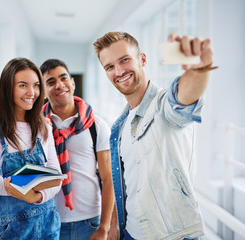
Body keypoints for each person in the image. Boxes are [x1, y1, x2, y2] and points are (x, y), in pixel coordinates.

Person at [93, 31, 216, 240]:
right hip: (129, 233)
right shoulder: (119, 126)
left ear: (142, 59)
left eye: (125, 60)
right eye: (110, 67)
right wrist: (114, 225)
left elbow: (182, 99)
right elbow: (125, 181)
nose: (119, 71)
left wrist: (201, 67)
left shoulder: (162, 106)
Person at [0, 58, 61, 239]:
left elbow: (56, 177)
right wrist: (21, 190)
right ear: (8, 88)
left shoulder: (43, 125)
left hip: (47, 223)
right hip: (9, 228)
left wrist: (36, 197)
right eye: (23, 85)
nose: (32, 92)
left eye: (36, 85)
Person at [40, 59, 114, 240]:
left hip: (90, 220)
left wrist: (105, 227)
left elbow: (108, 178)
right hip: (49, 220)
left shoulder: (96, 125)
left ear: (72, 83)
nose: (59, 85)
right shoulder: (36, 126)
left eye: (63, 78)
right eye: (50, 82)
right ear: (42, 91)